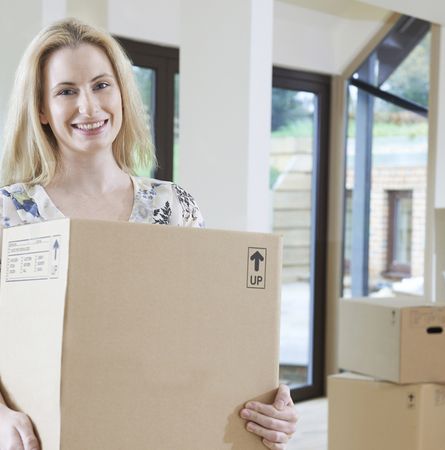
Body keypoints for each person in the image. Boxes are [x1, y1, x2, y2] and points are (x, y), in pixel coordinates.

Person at [0, 18, 297, 450]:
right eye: (67, 91)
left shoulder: (174, 207)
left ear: (122, 93)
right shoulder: (9, 213)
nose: (89, 107)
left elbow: (211, 328)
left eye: (102, 85)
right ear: (42, 109)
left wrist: (271, 400)